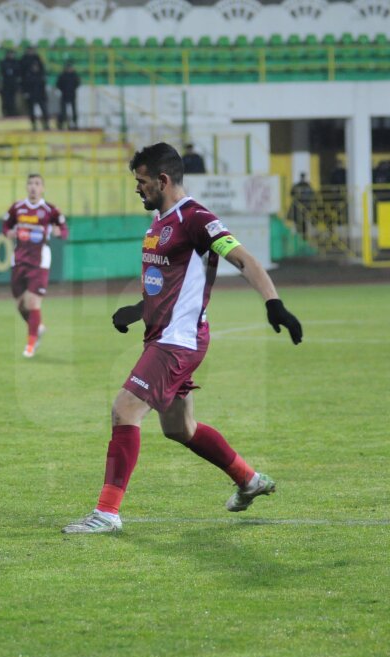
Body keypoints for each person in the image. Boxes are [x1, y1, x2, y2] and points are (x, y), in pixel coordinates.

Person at [62, 142, 303, 534]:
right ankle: (248, 480)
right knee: (179, 428)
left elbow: (245, 259)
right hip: (164, 335)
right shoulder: (158, 222)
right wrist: (138, 310)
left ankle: (106, 513)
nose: (137, 189)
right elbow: (171, 285)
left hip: (177, 342)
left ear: (163, 179)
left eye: (141, 182)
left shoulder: (196, 219)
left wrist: (273, 303)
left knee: (125, 410)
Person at [3, 173, 68, 358]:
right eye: (30, 183)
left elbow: (64, 230)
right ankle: (37, 327)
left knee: (32, 302)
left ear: (43, 188)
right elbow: (5, 225)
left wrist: (58, 232)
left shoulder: (50, 210)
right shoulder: (18, 208)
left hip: (39, 262)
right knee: (20, 305)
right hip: (19, 260)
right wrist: (8, 232)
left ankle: (30, 344)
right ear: (26, 187)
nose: (33, 187)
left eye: (37, 183)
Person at [22, 61, 49, 131]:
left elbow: (43, 87)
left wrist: (44, 95)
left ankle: (46, 124)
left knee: (44, 110)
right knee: (32, 111)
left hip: (40, 95)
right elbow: (26, 86)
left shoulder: (41, 75)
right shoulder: (28, 76)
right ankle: (34, 125)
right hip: (32, 96)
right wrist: (26, 93)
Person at [56, 61, 80, 130]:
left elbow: (77, 84)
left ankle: (74, 123)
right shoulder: (62, 75)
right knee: (63, 111)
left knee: (73, 111)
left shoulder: (74, 75)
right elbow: (58, 84)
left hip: (72, 94)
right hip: (64, 94)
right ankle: (63, 123)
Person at [0, 48, 21, 117]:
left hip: (13, 84)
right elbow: (3, 71)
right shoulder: (3, 62)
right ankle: (6, 112)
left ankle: (12, 112)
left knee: (13, 99)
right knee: (6, 99)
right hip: (5, 84)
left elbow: (18, 72)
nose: (11, 55)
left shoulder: (16, 62)